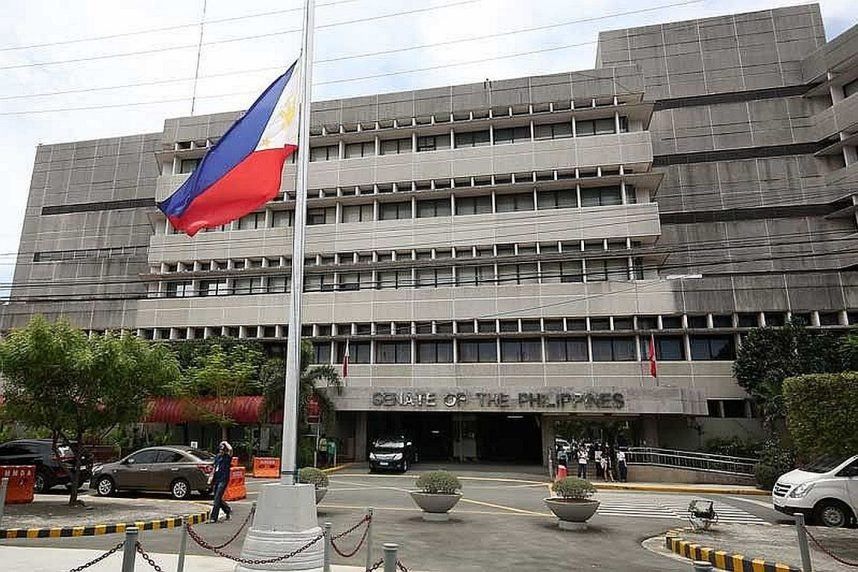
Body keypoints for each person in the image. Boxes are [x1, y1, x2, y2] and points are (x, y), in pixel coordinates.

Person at [210, 441, 233, 523]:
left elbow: (231, 449)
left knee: (217, 498)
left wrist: (225, 443)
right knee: (217, 498)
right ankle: (227, 510)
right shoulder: (217, 457)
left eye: (223, 450)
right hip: (217, 479)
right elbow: (214, 467)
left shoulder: (227, 457)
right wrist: (211, 478)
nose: (221, 451)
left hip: (223, 479)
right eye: (220, 450)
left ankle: (213, 517)